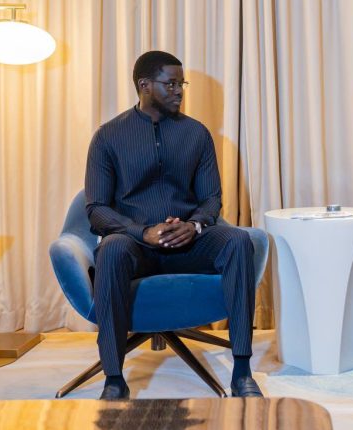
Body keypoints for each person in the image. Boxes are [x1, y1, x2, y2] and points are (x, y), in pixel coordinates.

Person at [85, 50, 262, 400]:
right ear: (144, 85)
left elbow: (211, 198)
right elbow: (96, 209)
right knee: (112, 248)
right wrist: (142, 232)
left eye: (182, 84)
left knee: (239, 241)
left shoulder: (197, 134)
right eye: (171, 84)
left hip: (188, 243)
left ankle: (242, 372)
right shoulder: (108, 136)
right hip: (136, 246)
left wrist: (194, 225)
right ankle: (114, 379)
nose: (179, 91)